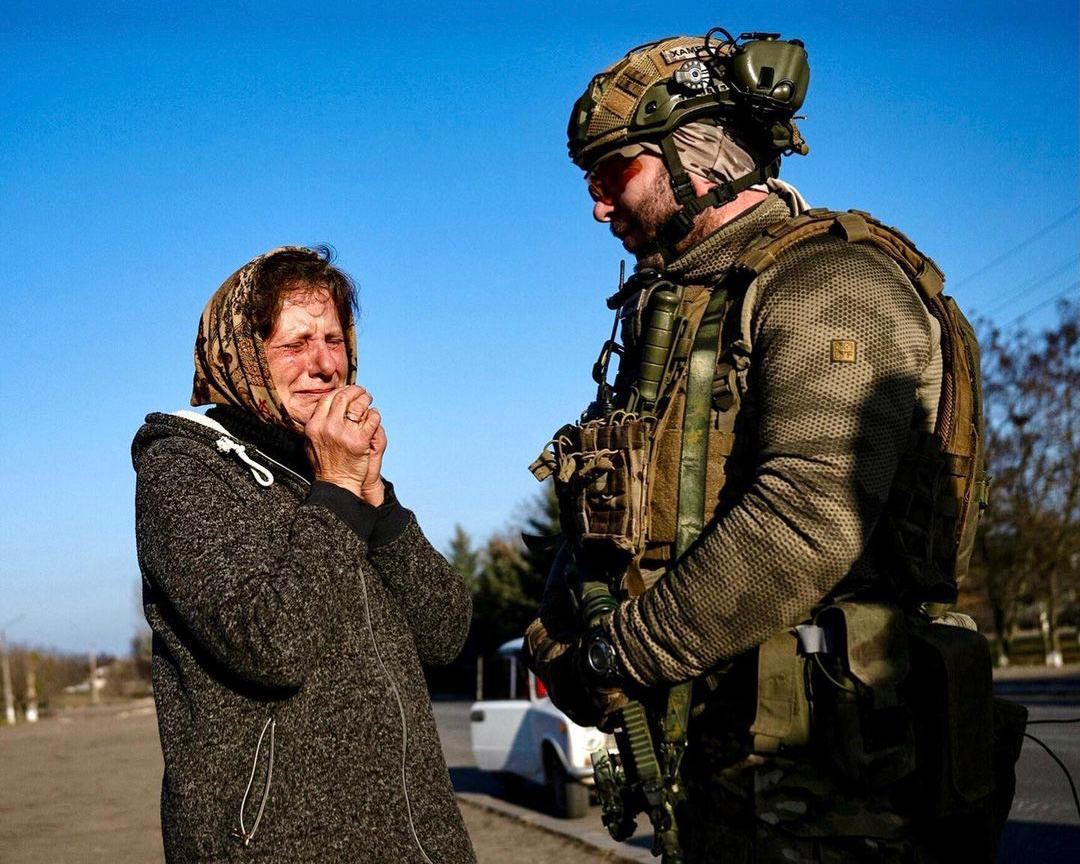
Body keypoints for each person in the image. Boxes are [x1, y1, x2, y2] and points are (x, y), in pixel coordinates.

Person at [523, 30, 1006, 863]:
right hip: (721, 773)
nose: (598, 206)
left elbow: (808, 519)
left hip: (836, 794)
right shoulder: (678, 312)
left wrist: (617, 656)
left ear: (696, 157)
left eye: (613, 174)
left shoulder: (833, 284)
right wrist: (559, 631)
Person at [132, 246, 476, 863]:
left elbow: (446, 634)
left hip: (419, 843)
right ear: (240, 355)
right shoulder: (181, 468)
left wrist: (377, 497)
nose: (324, 365)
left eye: (334, 340)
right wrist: (339, 489)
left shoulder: (331, 473)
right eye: (295, 344)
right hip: (276, 847)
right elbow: (272, 647)